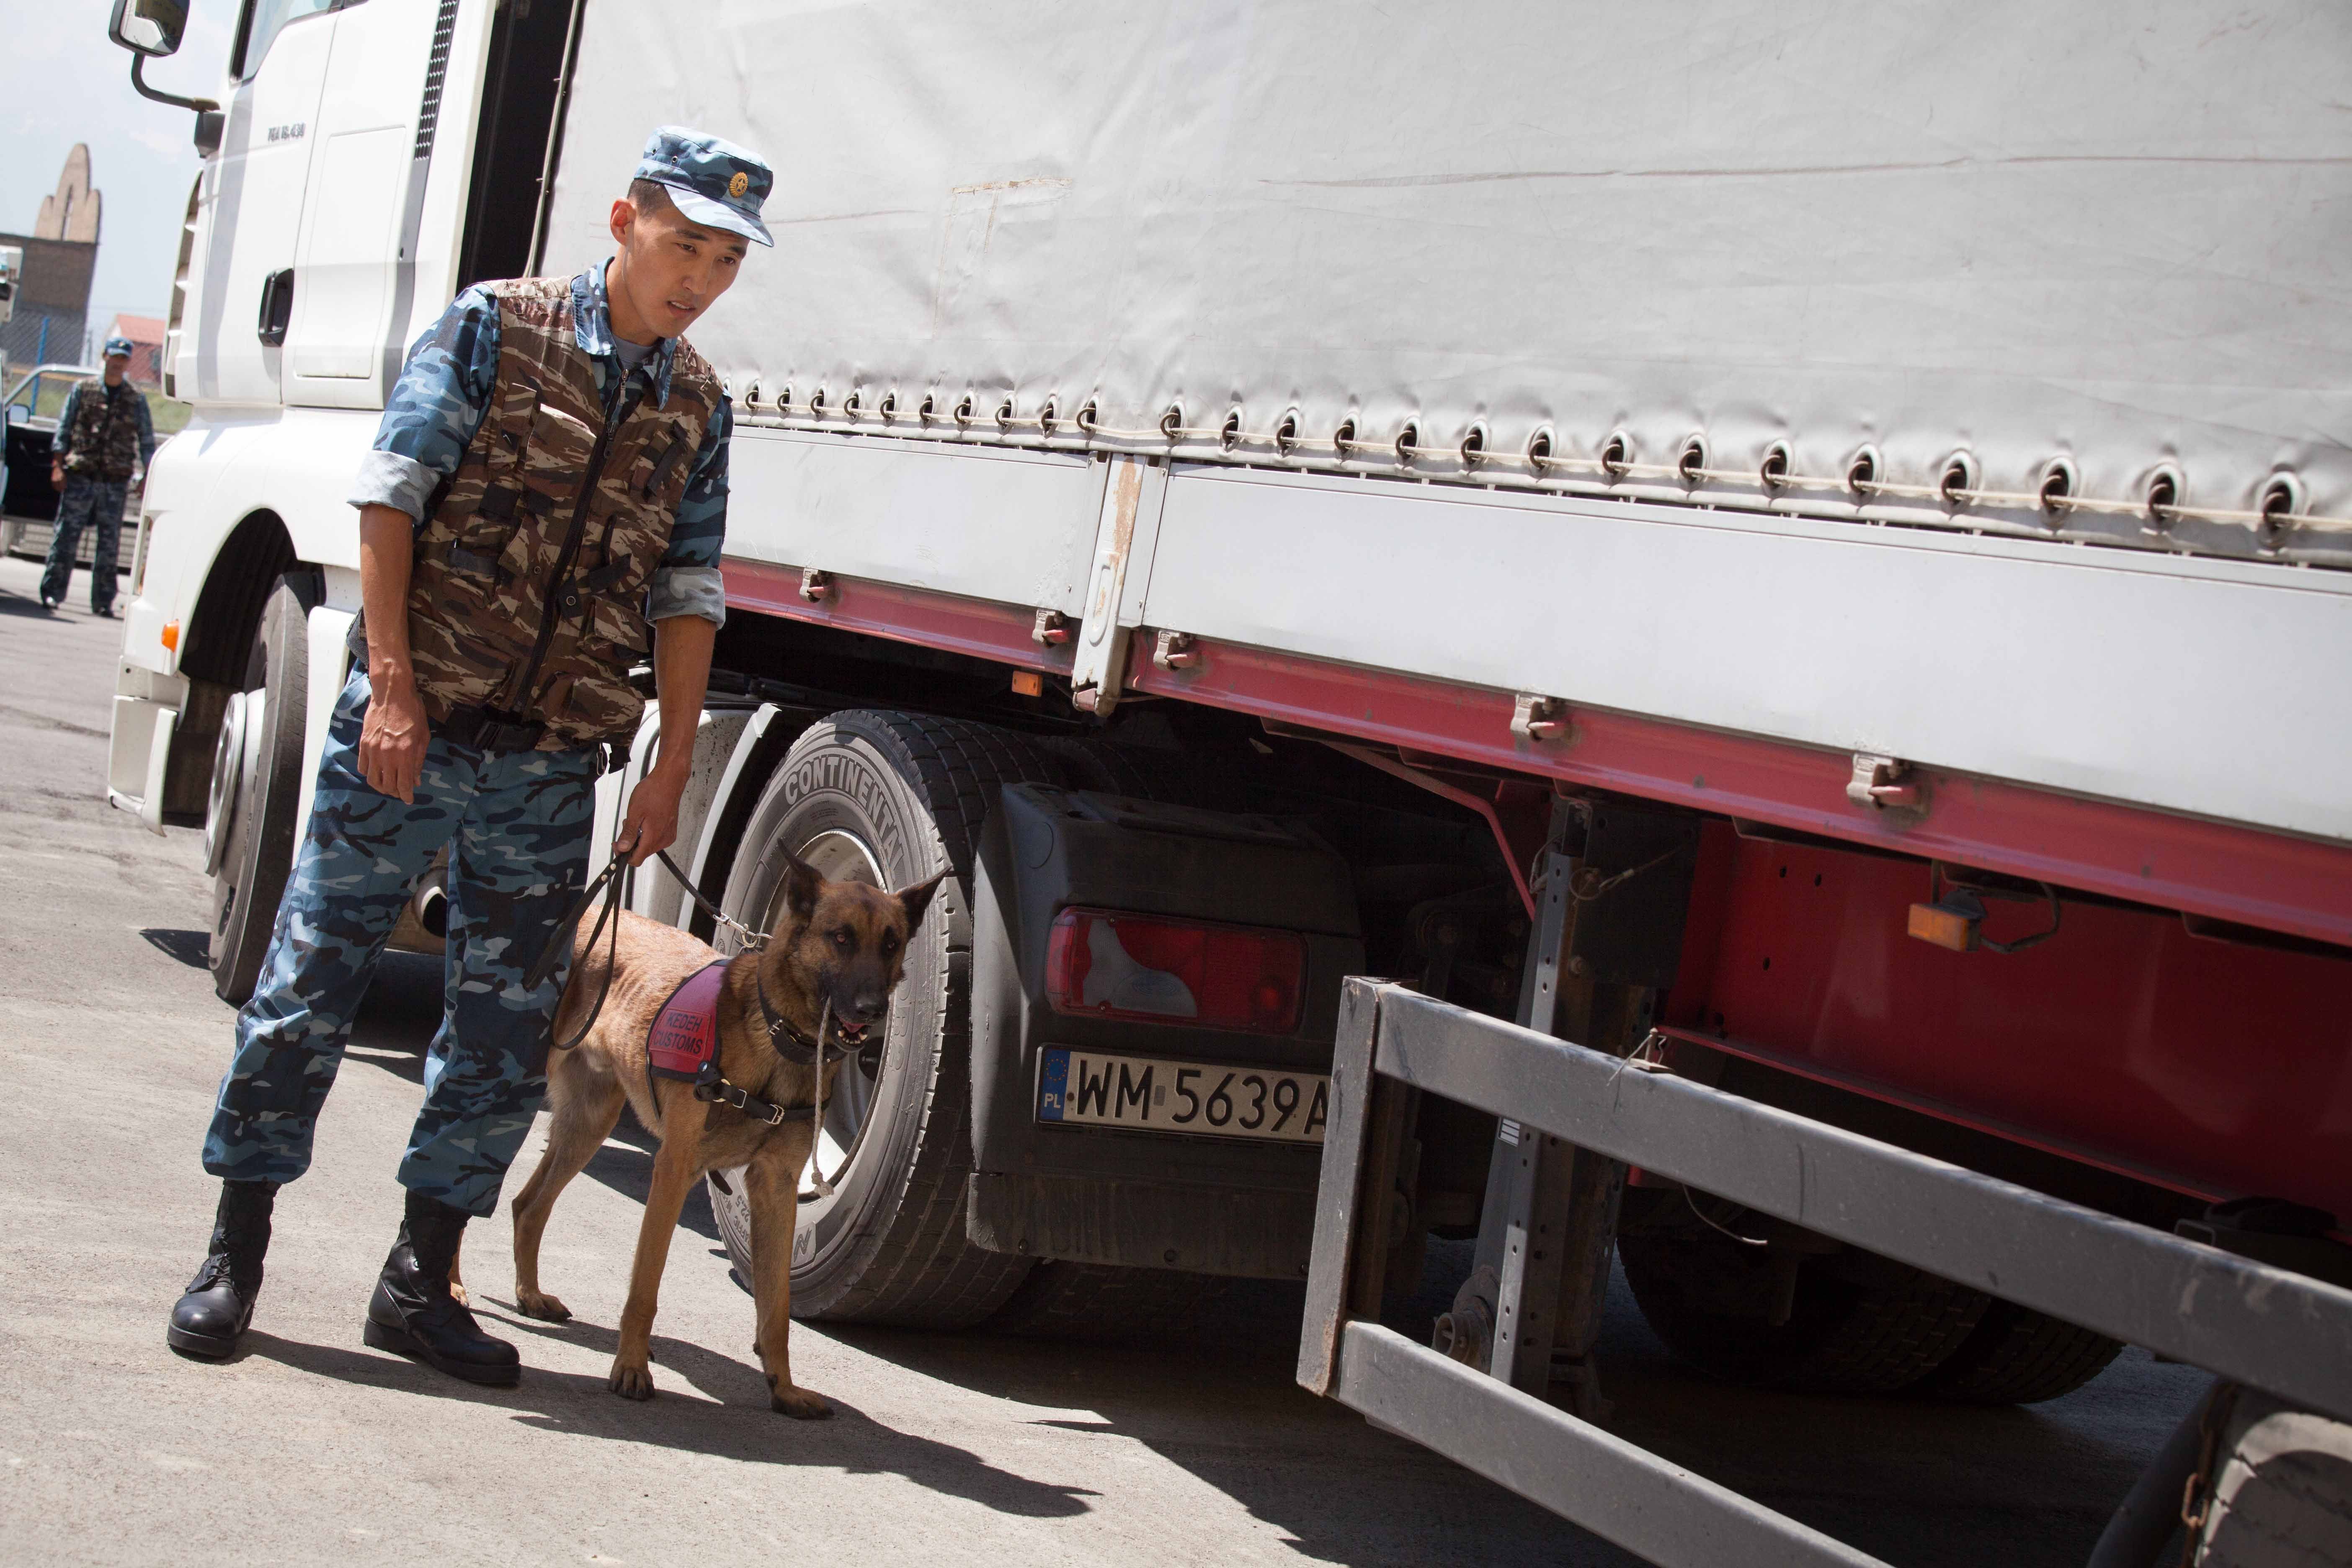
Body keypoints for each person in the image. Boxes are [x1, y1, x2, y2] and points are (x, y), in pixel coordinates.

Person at [165, 128, 774, 1385]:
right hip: (411, 729)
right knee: (306, 992)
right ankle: (235, 1254)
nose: (700, 280)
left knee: (499, 1038)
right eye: (686, 246)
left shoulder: (696, 404)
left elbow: (689, 588)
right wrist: (389, 686)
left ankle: (417, 1282)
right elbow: (391, 498)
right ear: (623, 219)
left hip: (551, 762)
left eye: (725, 261)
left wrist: (666, 768)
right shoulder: (498, 329)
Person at [43, 335, 155, 616]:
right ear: (104, 357)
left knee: (109, 544)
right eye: (113, 357)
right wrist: (58, 465)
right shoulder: (83, 390)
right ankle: (52, 593)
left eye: (123, 358)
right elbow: (64, 429)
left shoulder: (135, 398)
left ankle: (103, 601)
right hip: (81, 476)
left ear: (128, 361)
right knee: (65, 539)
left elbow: (146, 442)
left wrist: (147, 477)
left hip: (114, 483)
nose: (117, 363)